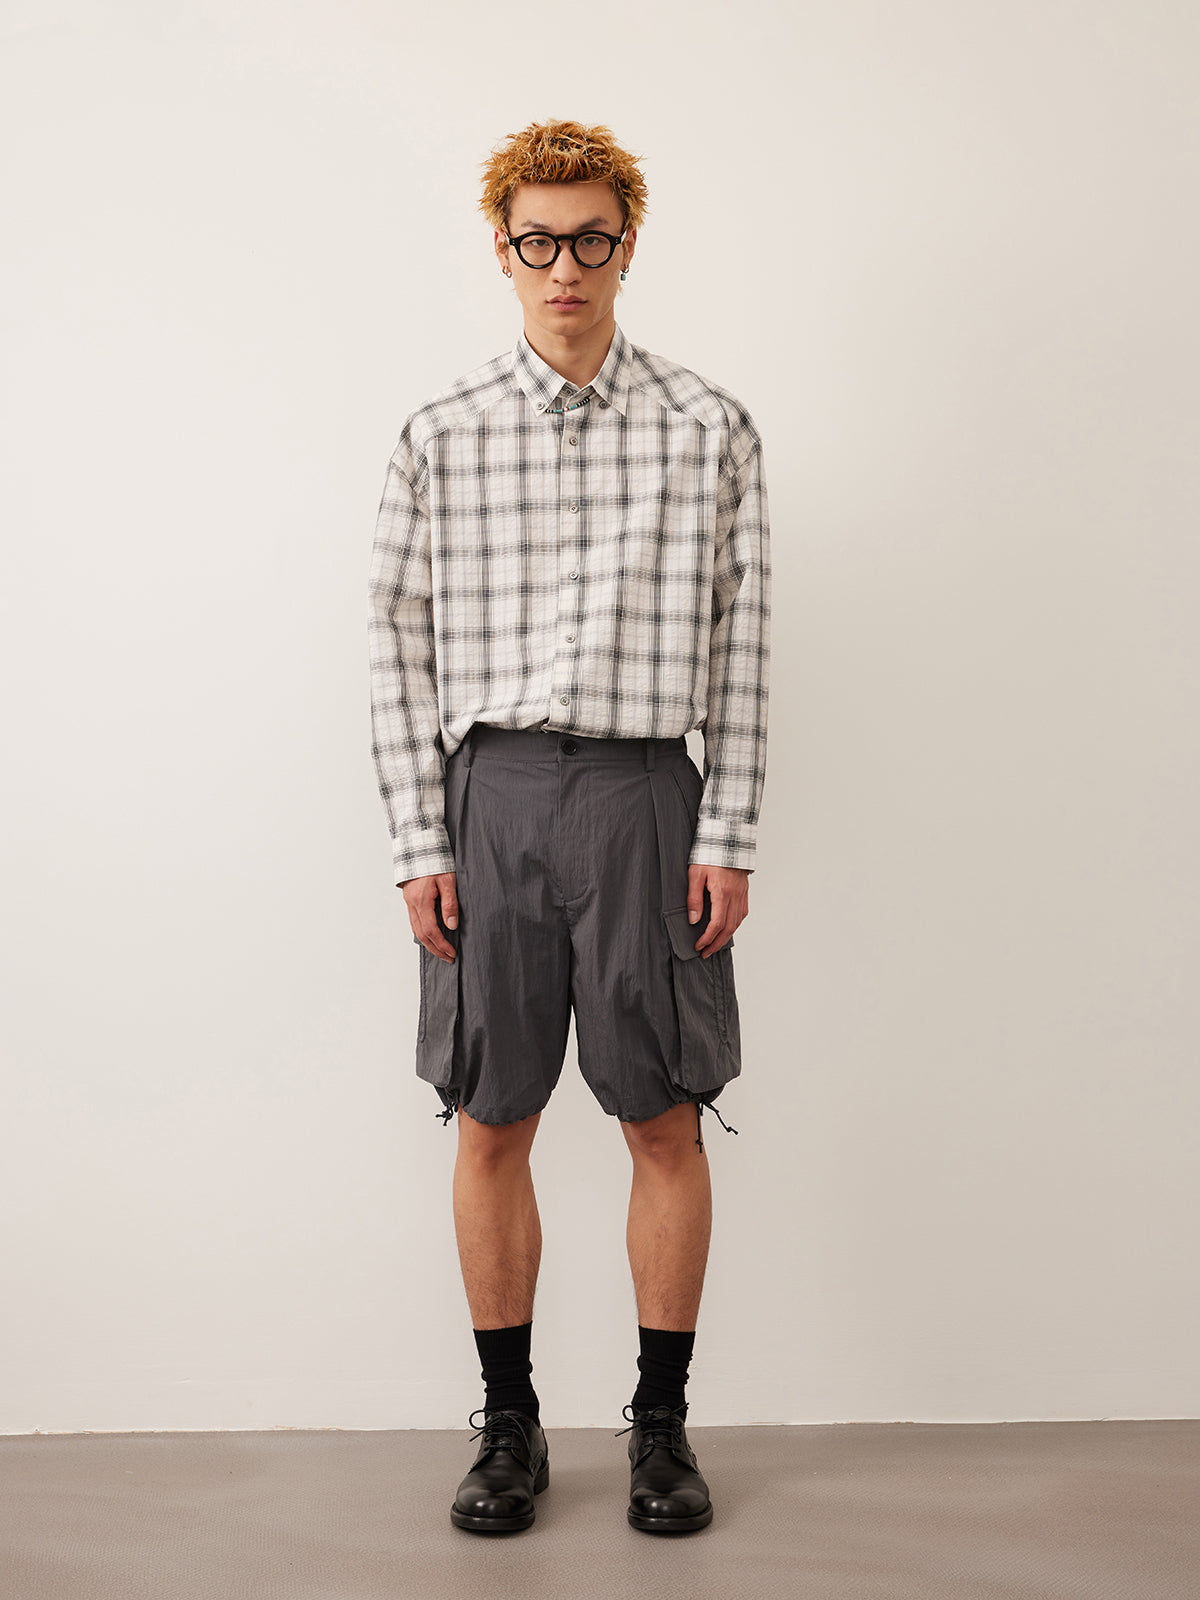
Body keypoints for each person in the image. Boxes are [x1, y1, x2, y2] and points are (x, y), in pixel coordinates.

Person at [367, 118, 770, 1535]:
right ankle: (510, 1427)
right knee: (493, 1111)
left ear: (627, 244)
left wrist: (731, 829)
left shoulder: (709, 427)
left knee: (662, 1108)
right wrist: (421, 842)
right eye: (538, 240)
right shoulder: (441, 432)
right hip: (490, 796)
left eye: (591, 238)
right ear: (503, 249)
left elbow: (742, 641)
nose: (565, 267)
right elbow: (395, 643)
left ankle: (661, 1429)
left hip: (648, 792)